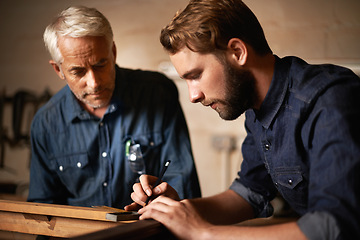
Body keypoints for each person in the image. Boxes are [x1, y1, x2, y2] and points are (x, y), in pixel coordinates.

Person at [125, 0, 360, 239]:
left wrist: (204, 233)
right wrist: (180, 209)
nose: (193, 96)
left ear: (237, 52)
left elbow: (333, 225)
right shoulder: (257, 109)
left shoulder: (330, 100)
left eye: (195, 75)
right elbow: (250, 193)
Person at [27, 5, 201, 209]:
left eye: (100, 65)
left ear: (114, 52)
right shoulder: (46, 123)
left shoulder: (157, 93)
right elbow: (43, 210)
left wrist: (167, 197)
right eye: (78, 71)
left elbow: (183, 182)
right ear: (58, 69)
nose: (94, 83)